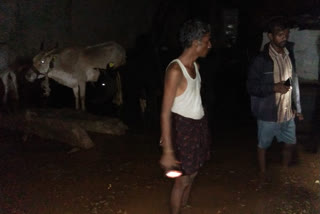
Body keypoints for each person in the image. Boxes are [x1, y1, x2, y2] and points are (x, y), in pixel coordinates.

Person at [159, 19, 212, 214]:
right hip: (182, 130)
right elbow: (165, 112)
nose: (210, 45)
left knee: (194, 173)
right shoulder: (175, 70)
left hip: (197, 126)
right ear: (196, 43)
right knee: (182, 181)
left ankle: (185, 207)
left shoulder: (195, 67)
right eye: (207, 41)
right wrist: (168, 151)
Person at [247, 17, 304, 180]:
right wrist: (273, 87)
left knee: (290, 144)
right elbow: (251, 86)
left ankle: (285, 173)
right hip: (268, 113)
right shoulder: (261, 60)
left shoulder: (289, 54)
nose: (284, 37)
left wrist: (297, 108)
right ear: (270, 36)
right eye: (280, 34)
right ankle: (262, 176)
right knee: (263, 146)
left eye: (286, 34)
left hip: (287, 112)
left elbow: (293, 81)